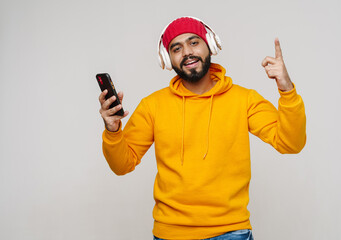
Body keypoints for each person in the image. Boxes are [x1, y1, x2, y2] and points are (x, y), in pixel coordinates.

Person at [98, 16, 306, 240]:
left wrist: (287, 90)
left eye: (194, 42)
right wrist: (112, 131)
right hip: (171, 234)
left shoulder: (244, 99)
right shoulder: (153, 105)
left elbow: (290, 143)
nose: (187, 52)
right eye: (177, 48)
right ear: (168, 59)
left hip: (231, 231)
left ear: (210, 45)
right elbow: (122, 165)